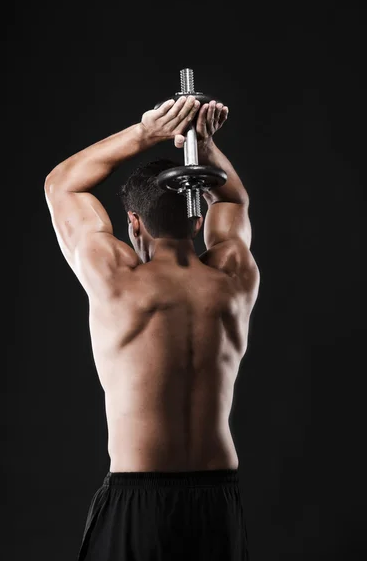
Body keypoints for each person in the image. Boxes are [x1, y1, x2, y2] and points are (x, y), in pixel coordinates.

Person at [44, 94, 260, 560]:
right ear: (197, 218)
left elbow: (62, 186)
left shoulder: (115, 281)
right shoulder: (233, 277)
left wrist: (150, 131)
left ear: (134, 223)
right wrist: (201, 145)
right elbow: (235, 199)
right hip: (217, 498)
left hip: (138, 497)